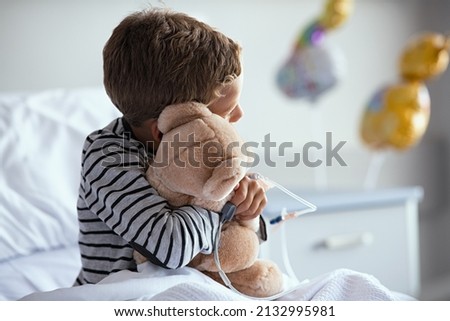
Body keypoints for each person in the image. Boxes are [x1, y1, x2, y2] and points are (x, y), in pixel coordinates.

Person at [74, 8, 268, 285]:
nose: (239, 117)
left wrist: (249, 214)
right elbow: (169, 246)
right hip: (118, 297)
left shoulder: (204, 148)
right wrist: (226, 211)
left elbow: (235, 246)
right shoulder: (107, 157)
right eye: (224, 114)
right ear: (167, 130)